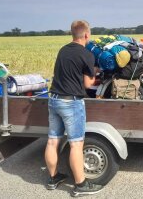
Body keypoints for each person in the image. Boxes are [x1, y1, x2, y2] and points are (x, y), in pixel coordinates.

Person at [44, 20, 103, 197]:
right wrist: (95, 75)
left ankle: (53, 179)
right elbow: (87, 83)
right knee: (76, 144)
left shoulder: (63, 50)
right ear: (86, 35)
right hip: (71, 102)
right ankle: (80, 184)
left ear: (72, 34)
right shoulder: (86, 55)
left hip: (53, 99)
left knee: (52, 141)